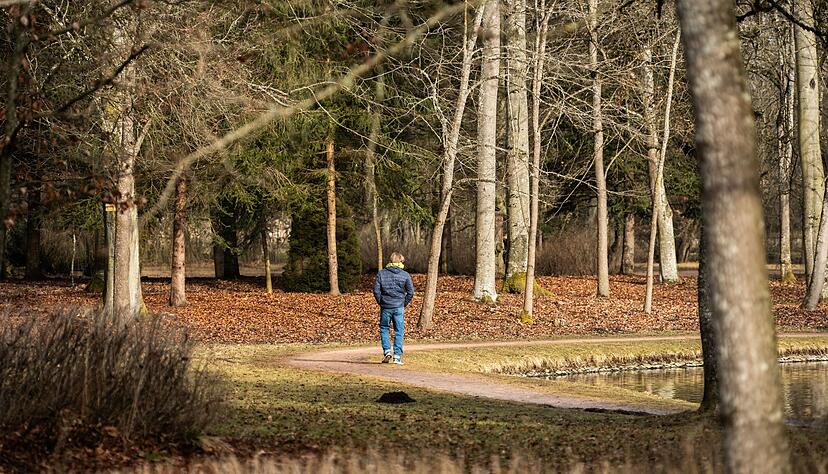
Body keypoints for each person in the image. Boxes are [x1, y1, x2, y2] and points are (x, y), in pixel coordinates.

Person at [373, 252, 414, 365]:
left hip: (386, 306)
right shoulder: (405, 275)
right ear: (400, 261)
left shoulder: (382, 273)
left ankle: (387, 351)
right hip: (398, 307)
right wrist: (404, 303)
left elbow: (376, 290)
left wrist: (381, 301)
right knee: (399, 331)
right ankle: (397, 356)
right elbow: (410, 292)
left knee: (384, 328)